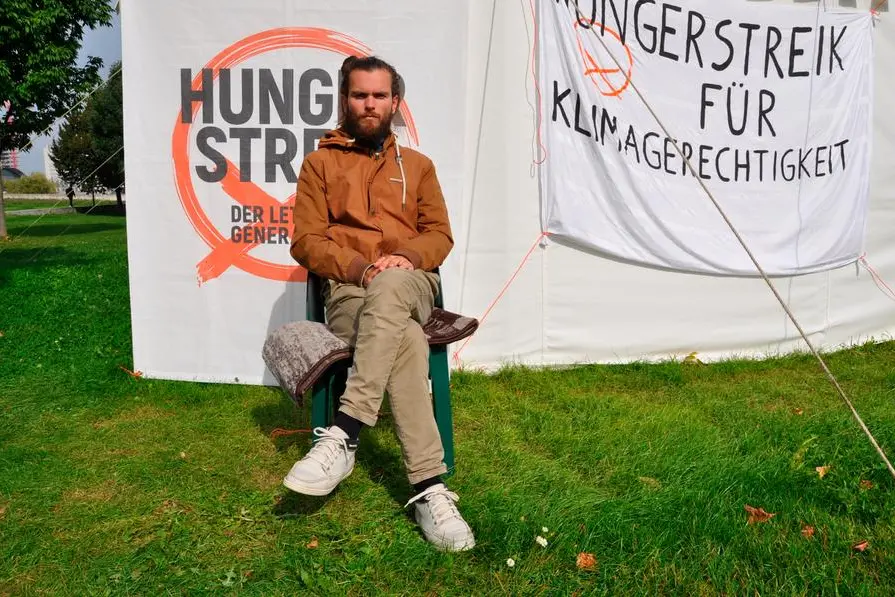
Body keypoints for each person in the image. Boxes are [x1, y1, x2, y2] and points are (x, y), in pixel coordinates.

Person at [285, 55, 475, 552]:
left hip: (411, 282)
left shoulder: (418, 166)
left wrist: (405, 257)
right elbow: (306, 240)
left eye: (378, 96)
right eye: (359, 95)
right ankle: (431, 489)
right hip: (350, 290)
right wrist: (358, 268)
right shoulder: (319, 163)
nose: (369, 105)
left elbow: (440, 235)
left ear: (395, 102)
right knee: (407, 340)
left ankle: (344, 432)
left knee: (393, 288)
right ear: (345, 100)